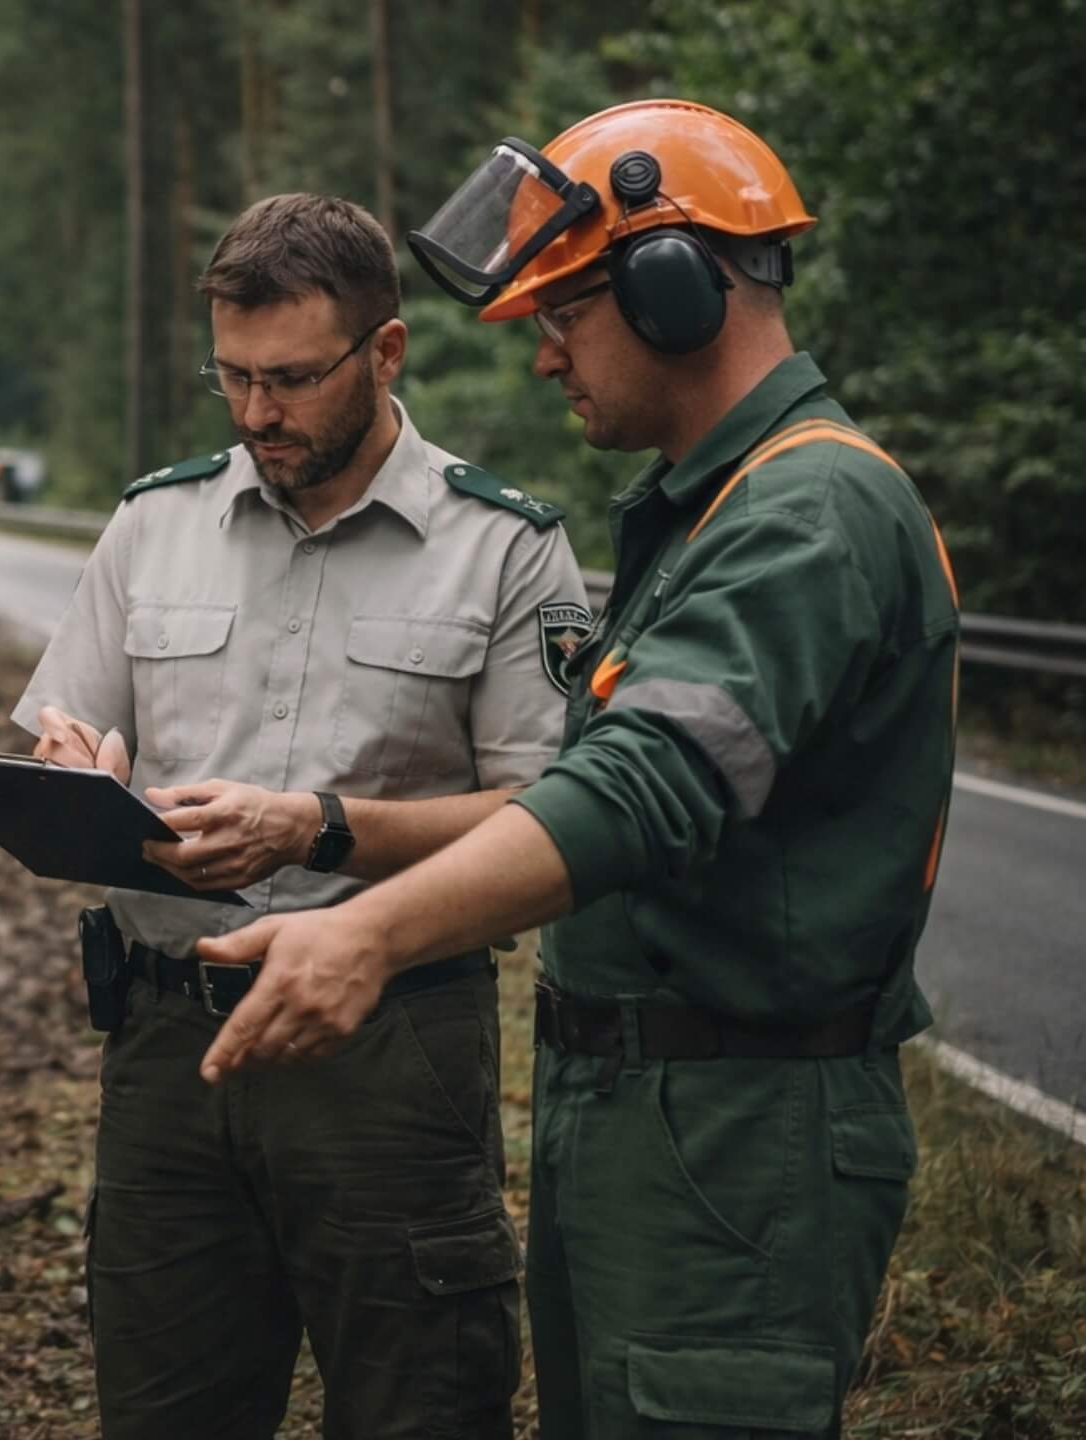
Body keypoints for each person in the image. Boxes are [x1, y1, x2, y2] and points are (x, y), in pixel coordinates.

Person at [199, 101, 960, 1433]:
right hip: (650, 1115)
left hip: (737, 1133)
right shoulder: (714, 508)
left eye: (562, 313)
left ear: (675, 290)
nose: (545, 355)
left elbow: (638, 788)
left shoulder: (810, 513)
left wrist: (366, 932)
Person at [11, 192, 587, 1437]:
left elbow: (550, 814)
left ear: (386, 353)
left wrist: (315, 825)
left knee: (417, 1405)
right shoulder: (153, 522)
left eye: (289, 379)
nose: (256, 413)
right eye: (231, 377)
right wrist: (71, 771)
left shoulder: (503, 547)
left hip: (390, 1052)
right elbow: (65, 731)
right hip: (166, 1048)